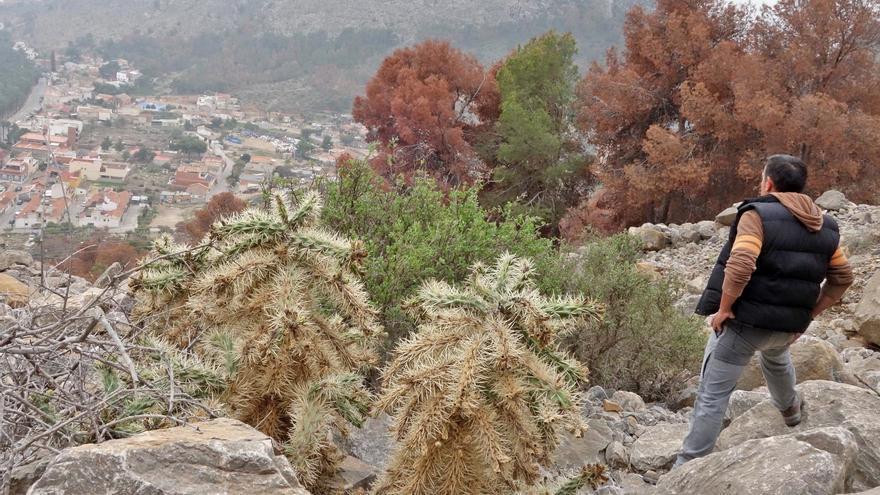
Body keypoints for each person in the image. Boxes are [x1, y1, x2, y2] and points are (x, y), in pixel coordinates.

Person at [674, 154, 854, 467]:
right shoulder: (827, 226)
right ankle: (791, 411)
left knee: (713, 395)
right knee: (776, 356)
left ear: (768, 183)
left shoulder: (757, 214)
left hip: (746, 324)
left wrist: (724, 309)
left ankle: (686, 466)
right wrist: (807, 317)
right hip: (787, 326)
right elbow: (843, 278)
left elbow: (742, 263)